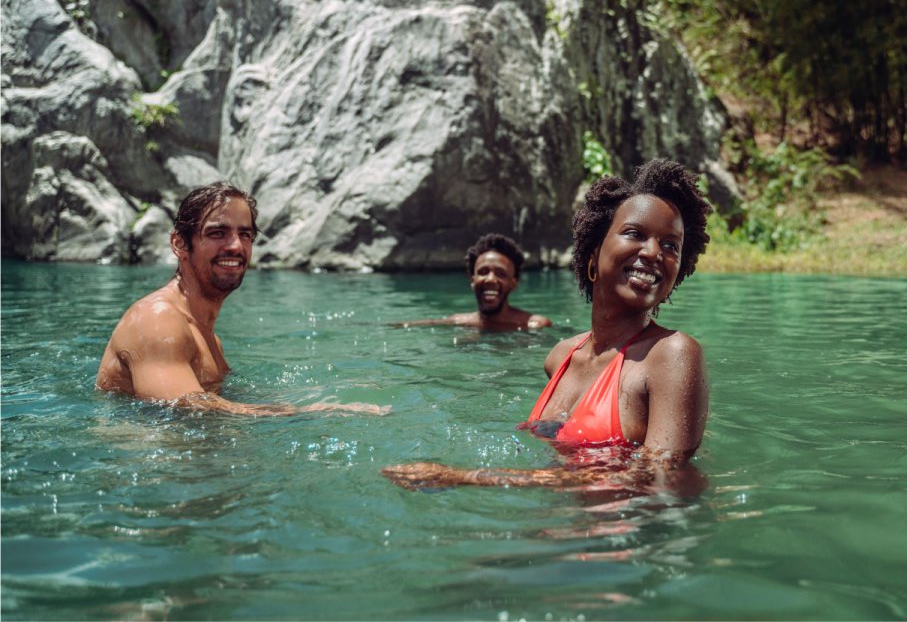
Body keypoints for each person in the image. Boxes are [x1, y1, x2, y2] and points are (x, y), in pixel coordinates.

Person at [382, 159, 712, 490]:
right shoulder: (560, 356)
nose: (654, 252)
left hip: (622, 538)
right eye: (634, 234)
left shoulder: (672, 355)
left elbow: (659, 475)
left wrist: (467, 477)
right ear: (593, 254)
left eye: (671, 245)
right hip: (559, 523)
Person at [96, 181, 387, 416]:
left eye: (245, 235)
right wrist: (314, 412)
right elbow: (181, 408)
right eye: (217, 233)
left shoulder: (209, 338)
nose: (235, 245)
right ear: (179, 243)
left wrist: (338, 393)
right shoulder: (157, 320)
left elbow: (222, 402)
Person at [394, 233, 552, 331]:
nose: (490, 279)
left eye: (501, 273)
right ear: (472, 279)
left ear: (514, 282)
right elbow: (415, 325)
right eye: (483, 272)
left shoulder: (535, 325)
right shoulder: (459, 321)